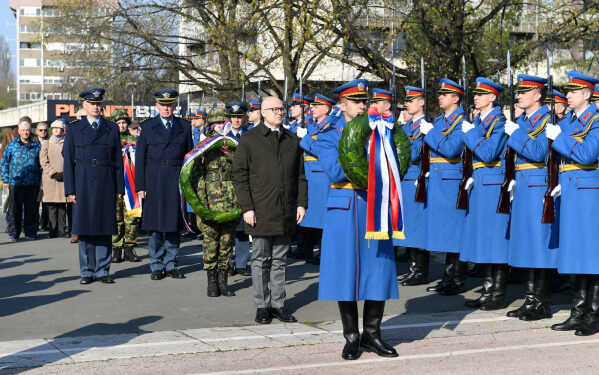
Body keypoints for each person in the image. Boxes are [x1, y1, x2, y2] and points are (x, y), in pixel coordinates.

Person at [315, 79, 399, 360]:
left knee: (378, 268)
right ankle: (351, 337)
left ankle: (373, 335)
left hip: (375, 205)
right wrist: (357, 145)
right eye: (357, 102)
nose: (364, 106)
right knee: (345, 271)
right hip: (346, 206)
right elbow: (337, 173)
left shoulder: (380, 130)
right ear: (342, 104)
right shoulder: (328, 134)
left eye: (365, 101)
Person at [232, 96, 308, 325]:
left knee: (280, 259)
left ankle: (278, 304)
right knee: (260, 258)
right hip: (260, 208)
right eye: (274, 109)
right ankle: (262, 305)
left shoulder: (291, 139)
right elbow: (239, 176)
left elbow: (300, 175)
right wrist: (247, 208)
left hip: (285, 208)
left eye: (282, 108)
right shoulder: (250, 139)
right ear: (263, 112)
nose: (280, 112)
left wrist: (302, 203)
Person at [503, 74, 558, 320]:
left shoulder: (547, 119)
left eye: (524, 92)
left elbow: (538, 153)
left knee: (539, 245)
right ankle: (530, 299)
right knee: (527, 244)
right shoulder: (524, 120)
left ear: (537, 95)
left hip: (539, 187)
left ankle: (542, 303)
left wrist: (515, 133)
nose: (519, 96)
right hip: (524, 186)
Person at [548, 72, 599, 336]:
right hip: (571, 191)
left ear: (587, 95)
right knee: (575, 253)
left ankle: (593, 315)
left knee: (591, 254)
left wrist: (559, 137)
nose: (567, 95)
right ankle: (577, 312)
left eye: (573, 91)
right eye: (567, 91)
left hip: (589, 194)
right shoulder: (569, 120)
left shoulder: (597, 120)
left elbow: (588, 154)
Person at [63, 88, 124, 284]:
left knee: (105, 226)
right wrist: (70, 189)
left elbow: (118, 162)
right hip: (83, 181)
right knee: (85, 227)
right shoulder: (73, 129)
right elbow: (67, 163)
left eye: (99, 104)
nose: (96, 107)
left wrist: (119, 189)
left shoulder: (112, 128)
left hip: (106, 180)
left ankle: (103, 270)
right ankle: (87, 271)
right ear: (85, 106)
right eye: (92, 104)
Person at [459, 77, 510, 310]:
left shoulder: (497, 121)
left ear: (492, 97)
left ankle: (497, 294)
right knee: (484, 239)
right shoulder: (479, 121)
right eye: (475, 94)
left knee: (495, 240)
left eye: (481, 94)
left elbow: (489, 153)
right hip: (480, 182)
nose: (475, 97)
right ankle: (488, 290)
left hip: (492, 184)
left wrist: (469, 134)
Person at [135, 89, 194, 280]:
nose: (166, 108)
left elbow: (189, 157)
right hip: (154, 179)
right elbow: (140, 158)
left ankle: (171, 264)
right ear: (157, 106)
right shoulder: (147, 126)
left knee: (173, 224)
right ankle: (156, 265)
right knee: (155, 225)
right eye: (162, 104)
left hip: (176, 179)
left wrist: (188, 183)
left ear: (175, 106)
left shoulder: (184, 127)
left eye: (169, 104)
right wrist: (140, 186)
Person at [419, 78, 468, 296]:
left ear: (456, 98)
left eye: (444, 94)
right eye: (440, 94)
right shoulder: (440, 120)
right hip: (438, 180)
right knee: (445, 233)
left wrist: (430, 132)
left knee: (454, 232)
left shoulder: (462, 121)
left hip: (451, 181)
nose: (440, 97)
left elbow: (451, 149)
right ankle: (447, 277)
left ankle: (456, 279)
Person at [196, 107, 240, 296]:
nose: (221, 127)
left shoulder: (233, 144)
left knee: (227, 241)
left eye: (224, 123)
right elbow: (196, 175)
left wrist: (230, 153)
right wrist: (202, 201)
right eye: (217, 123)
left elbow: (242, 169)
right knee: (210, 240)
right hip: (210, 198)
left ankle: (223, 280)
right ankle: (211, 282)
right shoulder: (203, 146)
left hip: (230, 198)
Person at [292, 93, 336, 264]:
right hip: (310, 175)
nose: (312, 109)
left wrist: (306, 138)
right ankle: (307, 249)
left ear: (326, 109)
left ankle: (324, 253)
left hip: (322, 176)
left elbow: (322, 151)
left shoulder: (330, 127)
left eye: (317, 106)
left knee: (324, 219)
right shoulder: (313, 127)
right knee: (310, 216)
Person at [396, 86, 429, 285]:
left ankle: (420, 270)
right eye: (406, 101)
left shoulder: (425, 126)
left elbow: (416, 153)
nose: (406, 104)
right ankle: (412, 267)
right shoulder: (406, 127)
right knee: (408, 226)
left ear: (421, 102)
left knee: (417, 227)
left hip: (416, 177)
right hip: (404, 178)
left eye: (411, 100)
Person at [1, 118, 42, 241]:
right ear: (19, 131)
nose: (25, 132)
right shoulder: (11, 145)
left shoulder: (36, 145)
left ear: (31, 131)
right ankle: (14, 233)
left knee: (32, 209)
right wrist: (5, 180)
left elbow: (42, 163)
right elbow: (4, 163)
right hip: (16, 183)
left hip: (32, 183)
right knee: (14, 210)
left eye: (28, 130)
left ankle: (31, 232)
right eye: (23, 130)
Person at [224, 102, 252, 277]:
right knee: (227, 228)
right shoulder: (222, 137)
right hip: (226, 187)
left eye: (239, 117)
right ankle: (227, 263)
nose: (236, 120)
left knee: (242, 228)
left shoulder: (250, 137)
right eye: (233, 117)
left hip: (246, 185)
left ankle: (241, 264)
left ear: (244, 118)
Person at [110, 109, 141, 263]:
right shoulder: (110, 140)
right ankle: (116, 247)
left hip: (132, 186)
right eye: (118, 123)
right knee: (116, 218)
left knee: (132, 218)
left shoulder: (135, 140)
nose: (121, 125)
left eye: (124, 123)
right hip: (115, 185)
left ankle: (129, 247)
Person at [39, 120, 68, 238]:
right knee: (51, 206)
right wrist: (52, 173)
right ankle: (52, 230)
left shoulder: (66, 142)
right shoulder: (47, 143)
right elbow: (43, 161)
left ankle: (62, 230)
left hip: (64, 177)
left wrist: (65, 173)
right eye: (54, 128)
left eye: (59, 128)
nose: (56, 130)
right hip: (50, 179)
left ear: (62, 130)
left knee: (62, 206)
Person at [36, 122, 50, 232]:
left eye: (45, 130)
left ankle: (44, 223)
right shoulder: (33, 142)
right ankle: (34, 224)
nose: (43, 132)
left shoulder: (50, 142)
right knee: (34, 202)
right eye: (41, 130)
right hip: (35, 175)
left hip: (47, 175)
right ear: (37, 131)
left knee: (46, 201)